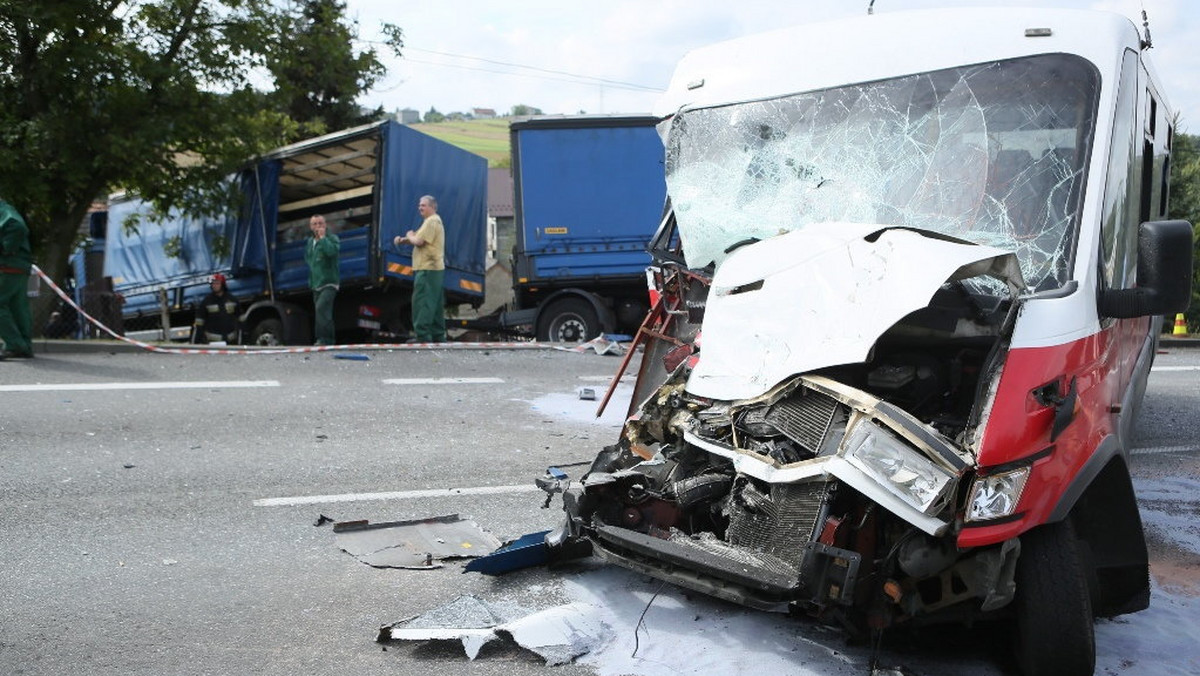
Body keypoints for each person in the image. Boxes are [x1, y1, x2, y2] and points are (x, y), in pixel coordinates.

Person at [393, 195, 446, 343]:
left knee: (422, 302)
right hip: (435, 269)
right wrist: (403, 240)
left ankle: (422, 336)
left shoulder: (431, 221)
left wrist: (409, 235)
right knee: (434, 303)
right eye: (419, 205)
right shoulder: (432, 222)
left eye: (423, 205)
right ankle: (438, 336)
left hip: (427, 268)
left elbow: (419, 241)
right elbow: (417, 238)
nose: (420, 208)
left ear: (432, 207)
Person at [0, 198, 34, 359]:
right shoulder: (7, 210)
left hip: (8, 265)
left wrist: (7, 249)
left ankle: (15, 344)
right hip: (18, 265)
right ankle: (23, 345)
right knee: (17, 307)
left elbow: (17, 227)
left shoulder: (4, 212)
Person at [305, 214, 340, 345]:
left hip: (329, 282)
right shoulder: (310, 242)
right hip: (316, 283)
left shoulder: (332, 238)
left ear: (325, 225)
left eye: (320, 223)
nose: (318, 226)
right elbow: (309, 260)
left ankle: (326, 339)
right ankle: (321, 338)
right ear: (310, 226)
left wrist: (323, 238)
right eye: (315, 224)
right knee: (320, 312)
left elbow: (331, 252)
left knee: (321, 309)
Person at [193, 273, 240, 344]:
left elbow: (240, 318)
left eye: (217, 283)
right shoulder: (207, 301)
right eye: (213, 283)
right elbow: (199, 322)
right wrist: (197, 341)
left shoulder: (232, 299)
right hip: (213, 342)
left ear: (223, 284)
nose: (214, 286)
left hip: (231, 341)